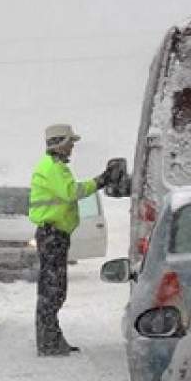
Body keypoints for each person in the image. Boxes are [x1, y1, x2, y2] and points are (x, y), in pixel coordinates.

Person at [28, 124, 113, 357]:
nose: (72, 147)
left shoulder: (52, 167)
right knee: (53, 290)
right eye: (70, 142)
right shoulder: (54, 168)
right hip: (52, 234)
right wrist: (101, 181)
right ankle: (48, 341)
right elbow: (71, 192)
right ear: (59, 143)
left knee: (53, 289)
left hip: (53, 234)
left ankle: (51, 337)